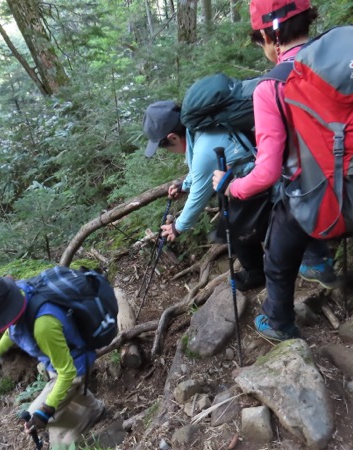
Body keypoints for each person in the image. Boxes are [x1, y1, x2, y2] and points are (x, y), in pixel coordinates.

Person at [212, 0, 338, 342]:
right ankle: (321, 264)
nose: (262, 46)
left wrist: (231, 186)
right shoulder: (341, 55)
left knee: (278, 257)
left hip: (322, 192)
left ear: (271, 36)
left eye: (259, 39)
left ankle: (279, 322)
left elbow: (266, 173)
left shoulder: (272, 86)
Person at [0, 273, 104, 447]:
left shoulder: (43, 326)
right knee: (73, 390)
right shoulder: (17, 296)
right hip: (58, 358)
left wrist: (45, 412)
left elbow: (68, 373)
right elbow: (12, 331)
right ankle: (97, 410)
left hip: (73, 365)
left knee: (33, 414)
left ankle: (83, 423)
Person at [143, 100, 267, 291]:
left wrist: (177, 227)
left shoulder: (203, 149)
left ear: (173, 137)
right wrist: (183, 186)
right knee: (230, 217)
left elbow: (198, 196)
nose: (169, 151)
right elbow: (199, 169)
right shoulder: (198, 129)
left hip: (260, 180)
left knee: (234, 226)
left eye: (166, 147)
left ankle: (256, 273)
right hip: (252, 171)